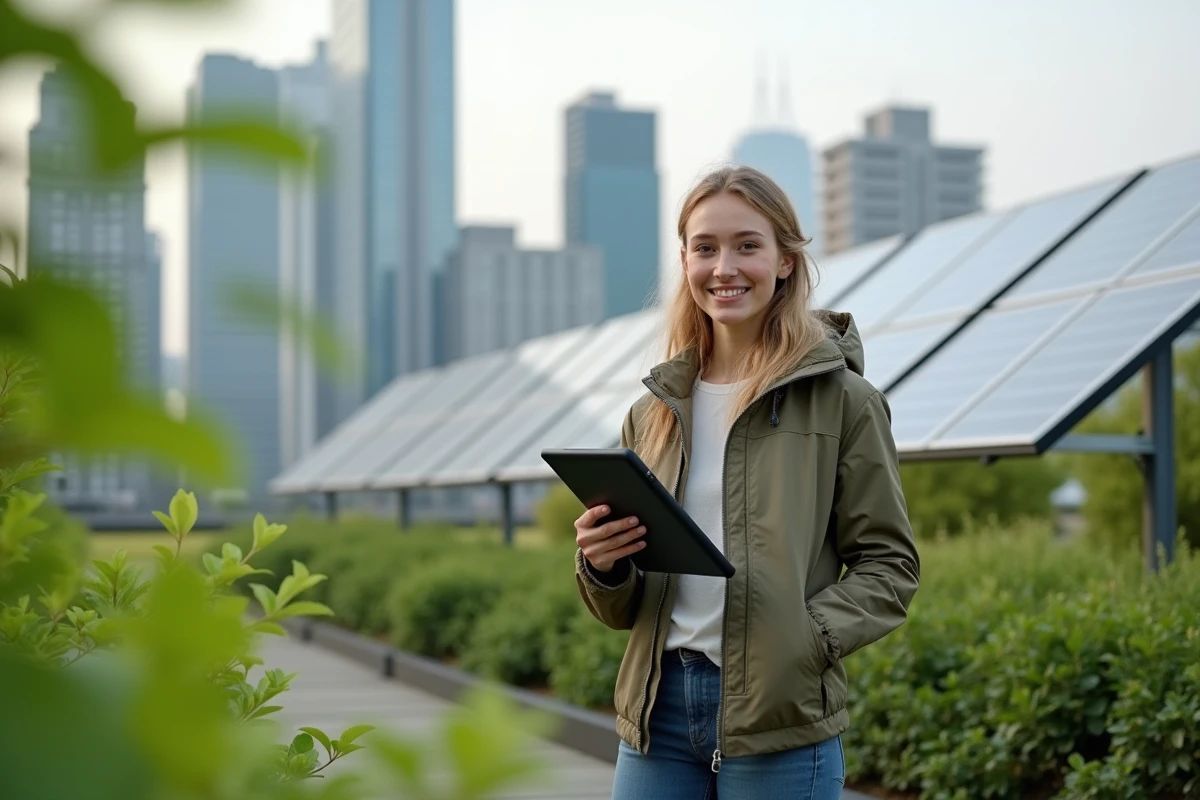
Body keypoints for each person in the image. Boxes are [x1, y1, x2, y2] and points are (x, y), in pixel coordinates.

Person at [572, 165, 921, 799]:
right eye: (705, 248)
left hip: (779, 717)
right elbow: (626, 606)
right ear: (684, 261)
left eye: (747, 245)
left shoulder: (845, 402)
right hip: (658, 715)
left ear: (786, 261)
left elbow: (890, 566)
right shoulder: (652, 413)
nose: (724, 267)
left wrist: (806, 639)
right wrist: (603, 566)